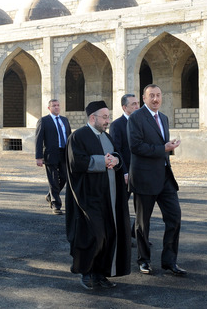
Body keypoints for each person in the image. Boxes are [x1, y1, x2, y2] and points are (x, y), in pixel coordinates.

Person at [65, 100, 132, 290]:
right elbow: (76, 163)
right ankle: (86, 273)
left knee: (109, 235)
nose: (107, 121)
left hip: (108, 197)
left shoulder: (107, 137)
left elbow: (117, 157)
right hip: (88, 198)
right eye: (104, 117)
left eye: (108, 117)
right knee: (94, 236)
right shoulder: (78, 137)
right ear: (92, 118)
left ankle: (100, 274)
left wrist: (116, 161)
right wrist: (103, 161)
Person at [128, 84, 186, 276]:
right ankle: (143, 260)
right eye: (151, 96)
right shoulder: (136, 118)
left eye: (158, 95)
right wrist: (164, 148)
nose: (155, 99)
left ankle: (170, 261)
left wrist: (170, 147)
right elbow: (136, 147)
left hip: (165, 178)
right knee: (143, 224)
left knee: (174, 218)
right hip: (144, 178)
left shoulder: (164, 118)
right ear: (144, 99)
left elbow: (162, 146)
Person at [35, 99, 71, 215]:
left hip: (64, 153)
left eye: (58, 105)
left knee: (65, 177)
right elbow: (38, 139)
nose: (56, 107)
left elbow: (69, 137)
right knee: (53, 180)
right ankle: (56, 205)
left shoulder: (64, 120)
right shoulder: (44, 121)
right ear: (49, 108)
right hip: (51, 155)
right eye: (54, 106)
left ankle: (50, 195)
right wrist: (38, 157)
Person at [108, 94, 139, 185]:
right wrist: (124, 172)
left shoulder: (142, 122)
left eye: (137, 103)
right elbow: (116, 150)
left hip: (141, 171)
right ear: (124, 107)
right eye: (133, 104)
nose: (137, 107)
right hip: (126, 173)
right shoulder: (116, 125)